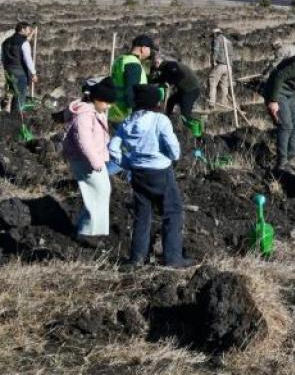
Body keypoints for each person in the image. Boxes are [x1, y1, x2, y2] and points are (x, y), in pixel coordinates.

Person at [109, 85, 189, 267]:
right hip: (161, 172)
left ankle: (137, 258)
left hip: (138, 173)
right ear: (155, 102)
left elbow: (113, 148)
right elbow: (173, 146)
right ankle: (173, 258)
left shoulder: (128, 121)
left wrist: (128, 164)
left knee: (142, 215)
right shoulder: (160, 120)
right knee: (172, 212)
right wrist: (174, 157)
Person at [62, 80, 116, 240]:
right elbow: (84, 141)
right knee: (99, 192)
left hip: (92, 159)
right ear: (97, 100)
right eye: (107, 102)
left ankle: (85, 228)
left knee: (100, 192)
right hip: (85, 160)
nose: (108, 106)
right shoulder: (85, 114)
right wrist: (96, 161)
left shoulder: (95, 111)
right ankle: (89, 232)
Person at [109, 35, 154, 126]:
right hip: (126, 116)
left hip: (115, 112)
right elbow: (130, 91)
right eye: (150, 49)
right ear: (143, 48)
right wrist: (135, 114)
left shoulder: (120, 60)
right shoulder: (133, 63)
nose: (151, 52)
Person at [152, 57, 202, 125]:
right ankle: (166, 119)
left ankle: (191, 130)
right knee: (171, 101)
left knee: (185, 114)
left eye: (154, 64)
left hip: (191, 90)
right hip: (185, 90)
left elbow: (180, 76)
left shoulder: (170, 65)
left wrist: (169, 83)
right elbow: (161, 79)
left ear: (158, 63)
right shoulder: (165, 69)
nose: (154, 67)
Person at [1, 22, 37, 113]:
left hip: (8, 71)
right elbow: (28, 59)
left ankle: (11, 114)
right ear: (23, 30)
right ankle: (16, 117)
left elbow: (3, 57)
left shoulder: (6, 41)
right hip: (20, 72)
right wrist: (33, 73)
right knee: (20, 96)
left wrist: (32, 34)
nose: (29, 31)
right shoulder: (23, 43)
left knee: (14, 93)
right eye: (28, 29)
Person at [207, 28, 233, 109]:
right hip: (229, 66)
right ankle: (224, 105)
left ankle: (211, 104)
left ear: (215, 34)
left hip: (220, 65)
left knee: (212, 83)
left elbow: (215, 51)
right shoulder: (228, 41)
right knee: (224, 86)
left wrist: (213, 62)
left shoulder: (217, 39)